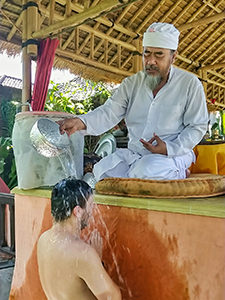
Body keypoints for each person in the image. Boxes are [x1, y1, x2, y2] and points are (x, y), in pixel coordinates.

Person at [58, 22, 208, 181]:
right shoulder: (131, 84)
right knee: (102, 171)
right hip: (136, 154)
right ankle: (151, 174)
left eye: (159, 55)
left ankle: (179, 171)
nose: (151, 61)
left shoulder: (189, 84)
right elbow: (109, 111)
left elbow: (197, 126)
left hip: (172, 154)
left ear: (173, 57)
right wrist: (81, 122)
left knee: (147, 171)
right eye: (147, 53)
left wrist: (169, 148)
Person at [37, 178, 121, 300]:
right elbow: (113, 297)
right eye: (91, 206)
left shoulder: (43, 240)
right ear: (77, 211)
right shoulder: (83, 254)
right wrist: (97, 260)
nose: (92, 212)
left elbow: (70, 283)